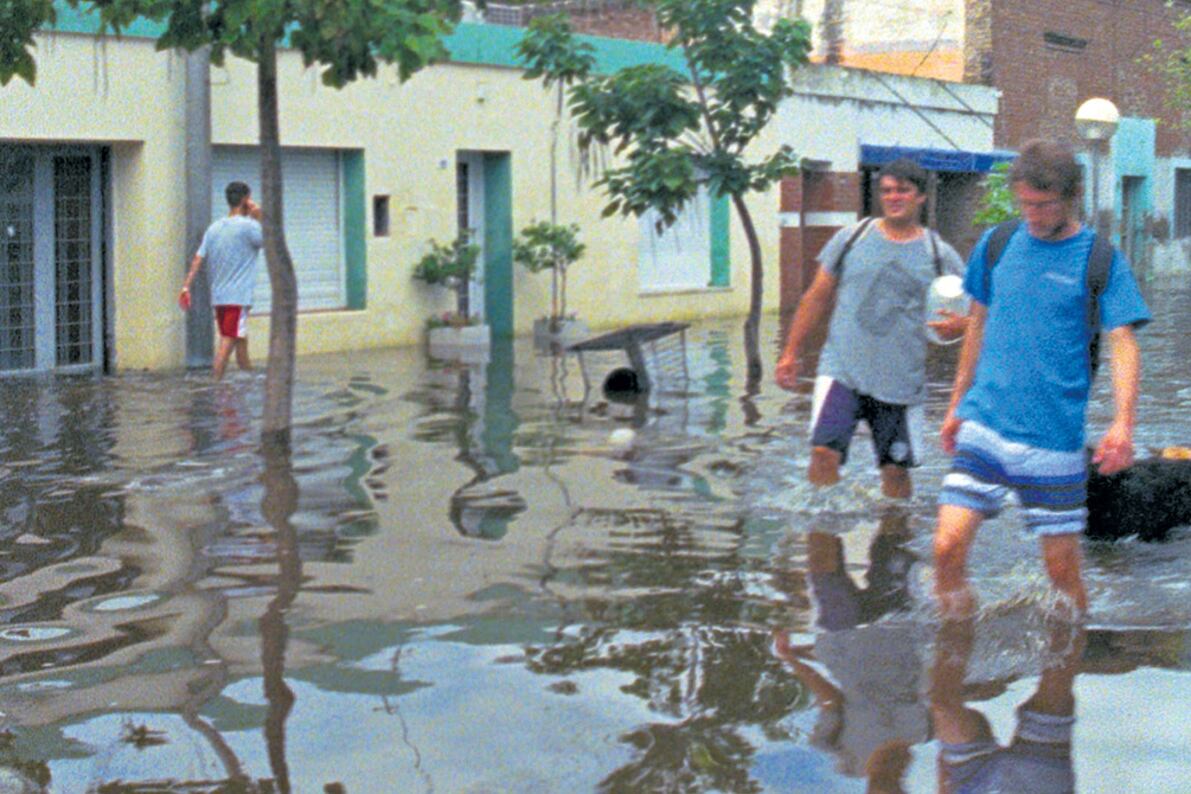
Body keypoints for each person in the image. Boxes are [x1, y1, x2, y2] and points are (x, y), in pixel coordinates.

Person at [933, 139, 1151, 619]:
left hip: (1053, 441)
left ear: (1072, 197)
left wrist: (1123, 424)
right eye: (1024, 203)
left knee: (1061, 573)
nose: (1031, 214)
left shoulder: (1100, 261)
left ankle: (1069, 657)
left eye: (1043, 204)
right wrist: (955, 405)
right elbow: (977, 326)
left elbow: (1123, 342)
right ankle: (953, 653)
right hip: (985, 425)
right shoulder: (997, 245)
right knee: (946, 548)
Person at [776, 158, 967, 498]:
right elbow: (817, 296)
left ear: (921, 197)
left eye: (903, 191)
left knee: (895, 472)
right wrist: (790, 353)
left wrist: (960, 325)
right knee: (823, 452)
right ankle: (821, 522)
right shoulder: (852, 238)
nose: (894, 197)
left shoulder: (939, 254)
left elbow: (973, 312)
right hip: (841, 370)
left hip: (900, 381)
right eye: (887, 191)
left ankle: (894, 527)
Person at [929, 616, 1084, 793]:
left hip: (975, 781)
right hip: (1040, 781)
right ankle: (1069, 609)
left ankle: (958, 615)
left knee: (942, 708)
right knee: (1059, 669)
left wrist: (945, 774)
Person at [180, 181, 263, 379]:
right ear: (245, 199)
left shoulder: (214, 228)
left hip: (219, 297)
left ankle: (249, 378)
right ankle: (214, 383)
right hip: (238, 297)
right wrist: (259, 218)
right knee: (228, 339)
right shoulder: (250, 227)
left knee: (239, 339)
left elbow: (198, 258)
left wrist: (186, 287)